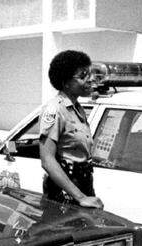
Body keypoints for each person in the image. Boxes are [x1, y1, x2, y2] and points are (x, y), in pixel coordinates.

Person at [39, 50, 103, 209]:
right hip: (63, 195)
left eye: (89, 74)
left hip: (83, 186)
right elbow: (47, 160)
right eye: (82, 76)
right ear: (65, 82)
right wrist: (80, 197)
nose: (90, 80)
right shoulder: (55, 110)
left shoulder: (78, 109)